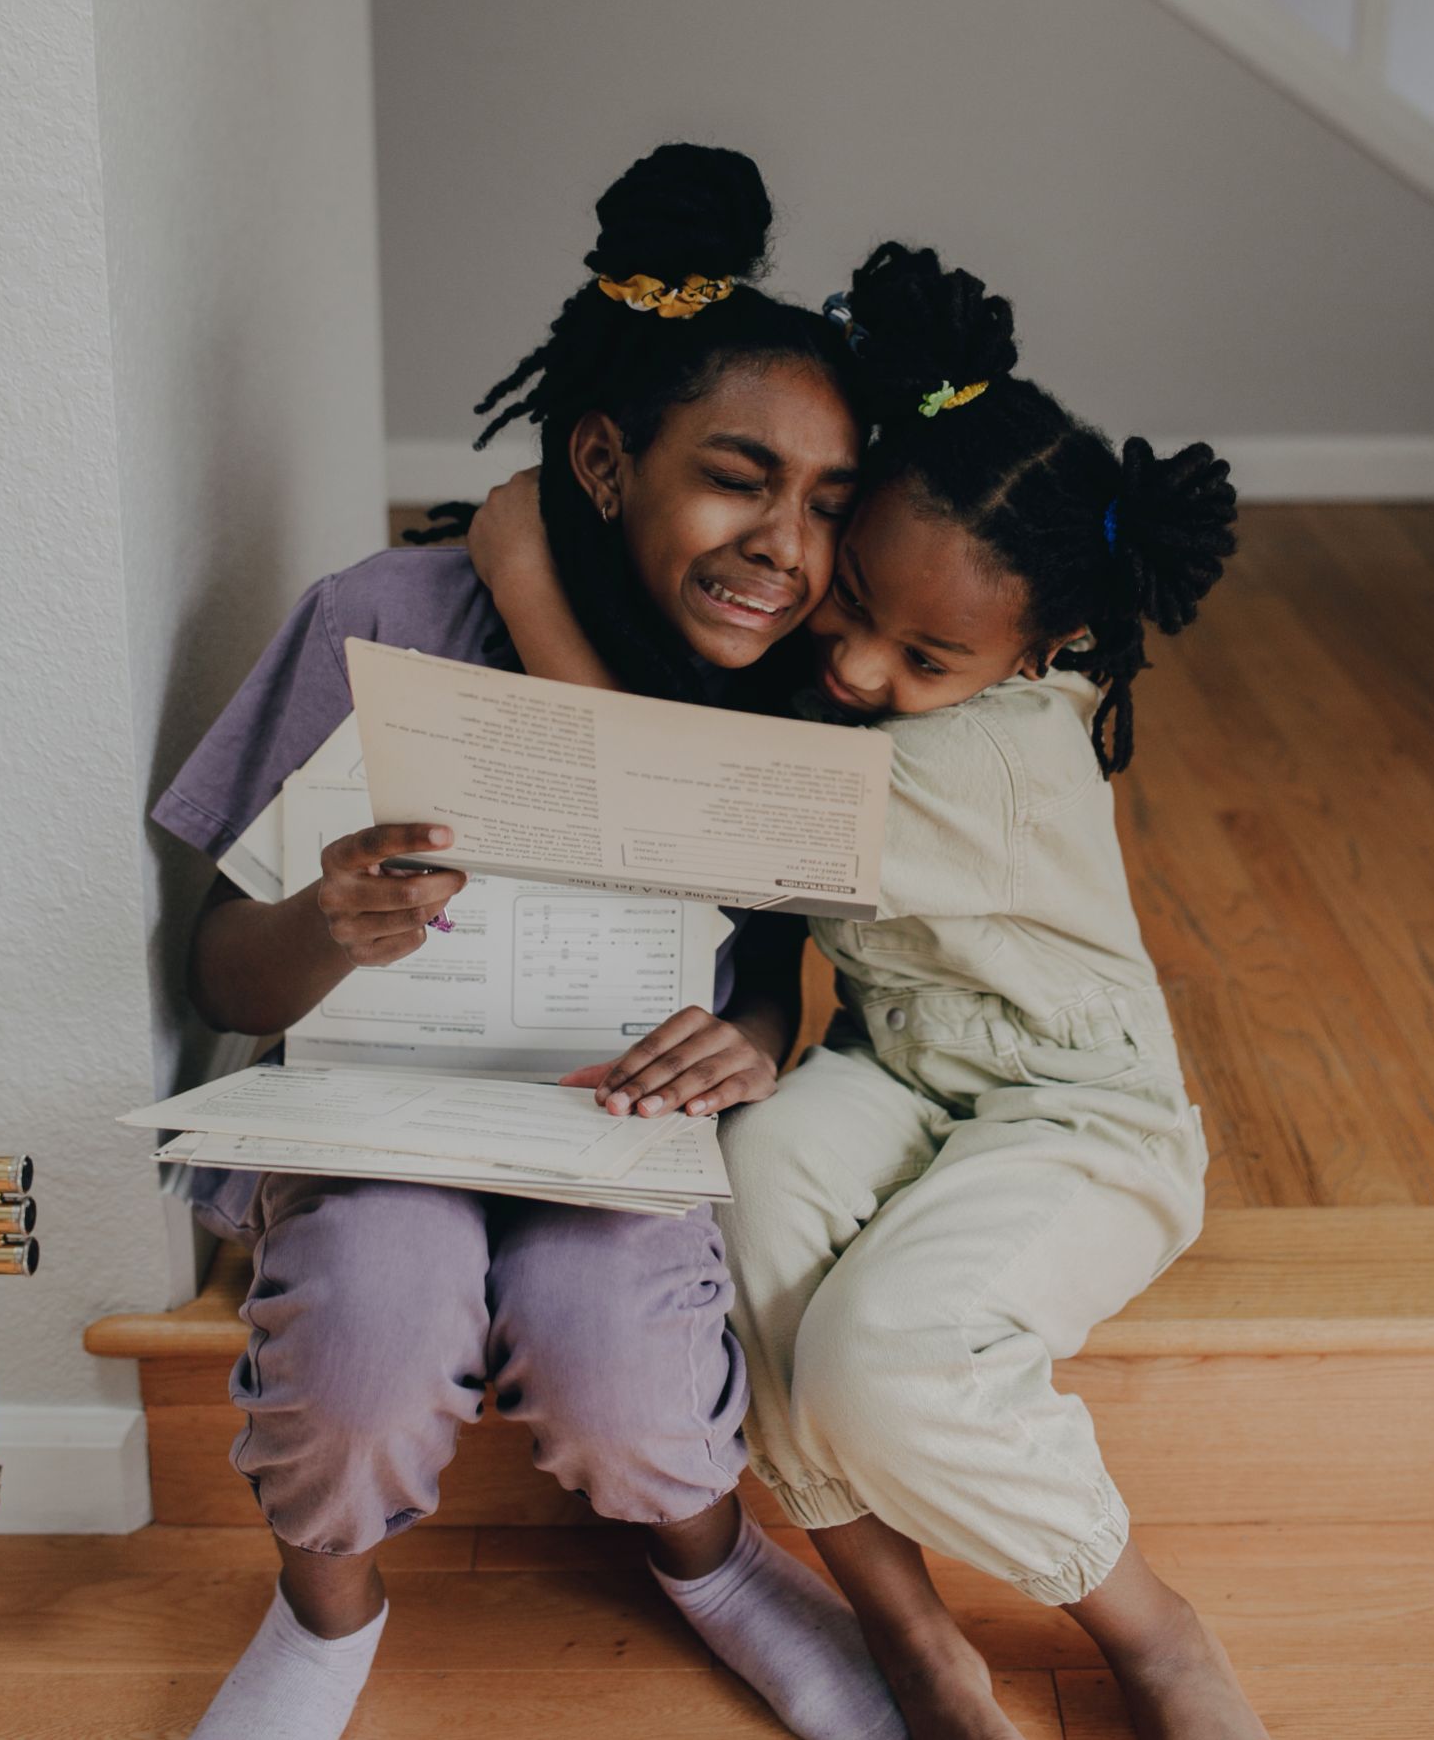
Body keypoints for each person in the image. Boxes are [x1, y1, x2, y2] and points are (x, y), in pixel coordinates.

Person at [151, 143, 907, 1740]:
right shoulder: (385, 614)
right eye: (738, 472)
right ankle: (321, 1618)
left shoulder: (783, 680)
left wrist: (756, 1033)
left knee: (627, 1387)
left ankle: (714, 1566)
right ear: (604, 457)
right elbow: (218, 973)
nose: (784, 541)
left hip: (613, 1118)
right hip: (381, 1119)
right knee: (364, 1342)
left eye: (827, 502)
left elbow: (762, 956)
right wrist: (323, 924)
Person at [475, 242, 1266, 1740]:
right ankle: (907, 1634)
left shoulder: (980, 758)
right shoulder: (874, 689)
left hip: (1073, 1111)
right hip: (907, 1074)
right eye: (845, 609)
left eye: (920, 652)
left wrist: (522, 574)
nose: (846, 663)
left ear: (1044, 649)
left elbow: (653, 797)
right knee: (748, 1182)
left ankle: (1146, 1624)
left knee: (872, 1356)